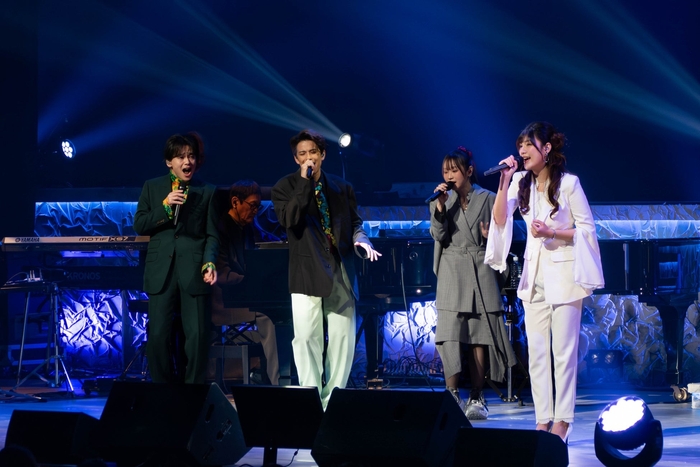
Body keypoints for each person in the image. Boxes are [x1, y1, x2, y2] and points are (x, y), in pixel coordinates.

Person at [485, 121, 604, 441]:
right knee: (537, 352)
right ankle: (543, 419)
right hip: (533, 276)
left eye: (529, 144)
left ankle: (563, 421)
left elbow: (587, 230)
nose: (522, 150)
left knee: (563, 352)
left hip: (565, 276)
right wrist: (504, 180)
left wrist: (553, 232)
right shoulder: (519, 181)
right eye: (520, 144)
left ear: (546, 148)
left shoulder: (569, 184)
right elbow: (500, 218)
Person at [271, 129, 380, 409]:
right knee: (307, 338)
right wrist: (304, 184)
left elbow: (355, 223)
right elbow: (290, 220)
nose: (309, 158)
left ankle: (332, 402)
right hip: (306, 271)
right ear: (296, 159)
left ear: (323, 155)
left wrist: (361, 240)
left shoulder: (342, 187)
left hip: (340, 269)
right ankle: (311, 403)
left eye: (313, 152)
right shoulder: (284, 187)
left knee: (343, 340)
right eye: (302, 154)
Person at [429, 146, 517, 420]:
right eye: (445, 171)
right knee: (450, 335)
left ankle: (477, 396)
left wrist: (492, 237)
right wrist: (440, 206)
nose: (449, 175)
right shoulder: (441, 200)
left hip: (480, 268)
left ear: (468, 171)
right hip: (452, 269)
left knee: (480, 337)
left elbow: (508, 230)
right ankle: (451, 394)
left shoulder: (488, 198)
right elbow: (438, 235)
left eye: (454, 170)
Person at [134, 132, 219, 384]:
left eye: (191, 156)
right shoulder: (152, 187)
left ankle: (193, 392)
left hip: (194, 269)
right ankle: (163, 392)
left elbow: (212, 235)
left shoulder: (208, 191)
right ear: (169, 162)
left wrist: (209, 261)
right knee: (158, 336)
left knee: (198, 336)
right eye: (181, 157)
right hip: (162, 270)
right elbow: (140, 224)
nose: (187, 161)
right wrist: (165, 206)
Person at [212, 180, 280, 385]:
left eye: (258, 206)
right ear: (235, 202)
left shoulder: (248, 226)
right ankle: (277, 382)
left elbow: (267, 239)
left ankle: (277, 375)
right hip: (225, 299)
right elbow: (222, 273)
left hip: (246, 294)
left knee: (281, 311)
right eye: (252, 205)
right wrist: (251, 283)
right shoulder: (220, 229)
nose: (256, 211)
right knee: (269, 316)